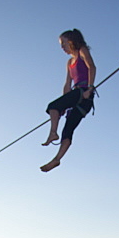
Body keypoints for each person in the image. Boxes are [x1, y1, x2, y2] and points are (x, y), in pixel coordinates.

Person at [41, 29, 96, 172]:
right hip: (76, 94)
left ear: (71, 41)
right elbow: (67, 84)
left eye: (63, 43)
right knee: (67, 127)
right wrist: (65, 105)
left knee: (52, 106)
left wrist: (90, 88)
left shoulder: (81, 51)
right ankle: (56, 160)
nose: (62, 47)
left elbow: (92, 66)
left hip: (84, 92)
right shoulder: (69, 62)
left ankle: (53, 133)